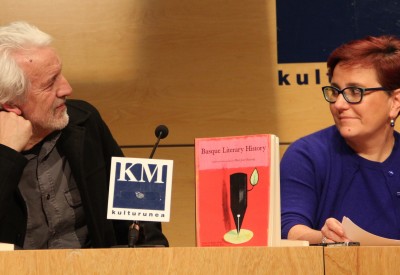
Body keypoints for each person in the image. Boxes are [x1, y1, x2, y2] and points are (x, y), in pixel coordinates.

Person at [0, 21, 168, 249]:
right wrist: (6, 156)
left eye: (60, 74)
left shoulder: (84, 121)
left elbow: (134, 205)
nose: (67, 89)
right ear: (11, 104)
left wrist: (153, 255)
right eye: (50, 83)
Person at [280, 35, 400, 244]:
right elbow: (289, 229)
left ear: (395, 102)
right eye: (335, 91)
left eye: (355, 92)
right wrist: (324, 237)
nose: (339, 104)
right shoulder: (307, 155)